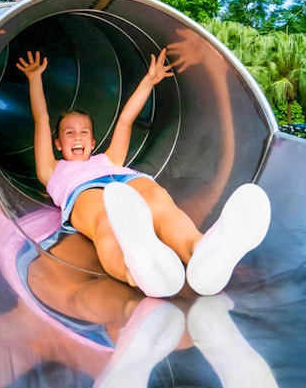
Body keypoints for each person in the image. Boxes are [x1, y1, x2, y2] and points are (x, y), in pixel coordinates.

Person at [16, 50, 271, 299]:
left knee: (160, 202)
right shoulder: (51, 170)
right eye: (69, 132)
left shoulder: (109, 159)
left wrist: (149, 81)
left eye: (84, 131)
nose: (77, 136)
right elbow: (42, 119)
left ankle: (201, 253)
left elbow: (126, 119)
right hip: (83, 191)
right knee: (106, 222)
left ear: (93, 142)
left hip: (126, 181)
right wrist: (34, 78)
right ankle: (139, 272)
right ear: (58, 143)